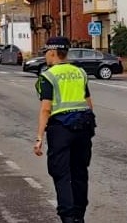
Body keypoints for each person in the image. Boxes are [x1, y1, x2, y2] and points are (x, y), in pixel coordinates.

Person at [33, 36, 96, 223]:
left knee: (61, 174)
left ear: (52, 53)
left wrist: (39, 137)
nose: (45, 56)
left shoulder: (48, 76)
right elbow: (89, 103)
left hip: (61, 129)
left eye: (46, 52)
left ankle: (68, 217)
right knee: (80, 172)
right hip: (83, 126)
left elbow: (46, 108)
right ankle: (79, 216)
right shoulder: (79, 72)